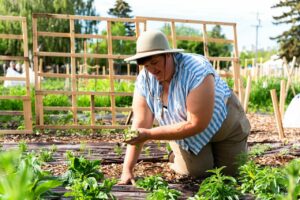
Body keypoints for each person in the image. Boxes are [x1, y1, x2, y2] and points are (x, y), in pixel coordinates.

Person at [119, 30, 250, 185]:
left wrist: (149, 134)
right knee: (199, 173)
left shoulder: (196, 71)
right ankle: (176, 156)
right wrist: (127, 169)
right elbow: (140, 125)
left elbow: (196, 123)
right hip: (187, 134)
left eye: (154, 63)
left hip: (224, 124)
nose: (152, 70)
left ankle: (230, 149)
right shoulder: (145, 80)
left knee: (232, 174)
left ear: (168, 55)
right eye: (146, 66)